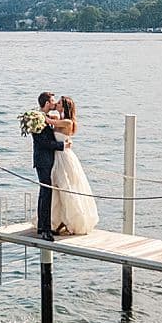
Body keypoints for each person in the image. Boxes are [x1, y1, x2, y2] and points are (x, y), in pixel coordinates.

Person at [46, 96, 99, 235]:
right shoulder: (62, 120)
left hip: (64, 157)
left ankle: (70, 220)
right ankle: (58, 220)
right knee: (57, 188)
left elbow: (49, 121)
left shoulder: (67, 122)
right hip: (59, 155)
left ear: (64, 107)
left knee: (65, 187)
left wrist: (40, 114)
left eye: (58, 103)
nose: (56, 104)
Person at [30, 91, 69, 242]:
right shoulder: (37, 119)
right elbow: (43, 143)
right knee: (46, 193)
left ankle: (42, 225)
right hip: (43, 160)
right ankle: (45, 230)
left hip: (48, 159)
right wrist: (62, 145)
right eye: (52, 101)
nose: (54, 104)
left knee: (44, 193)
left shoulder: (44, 118)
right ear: (47, 103)